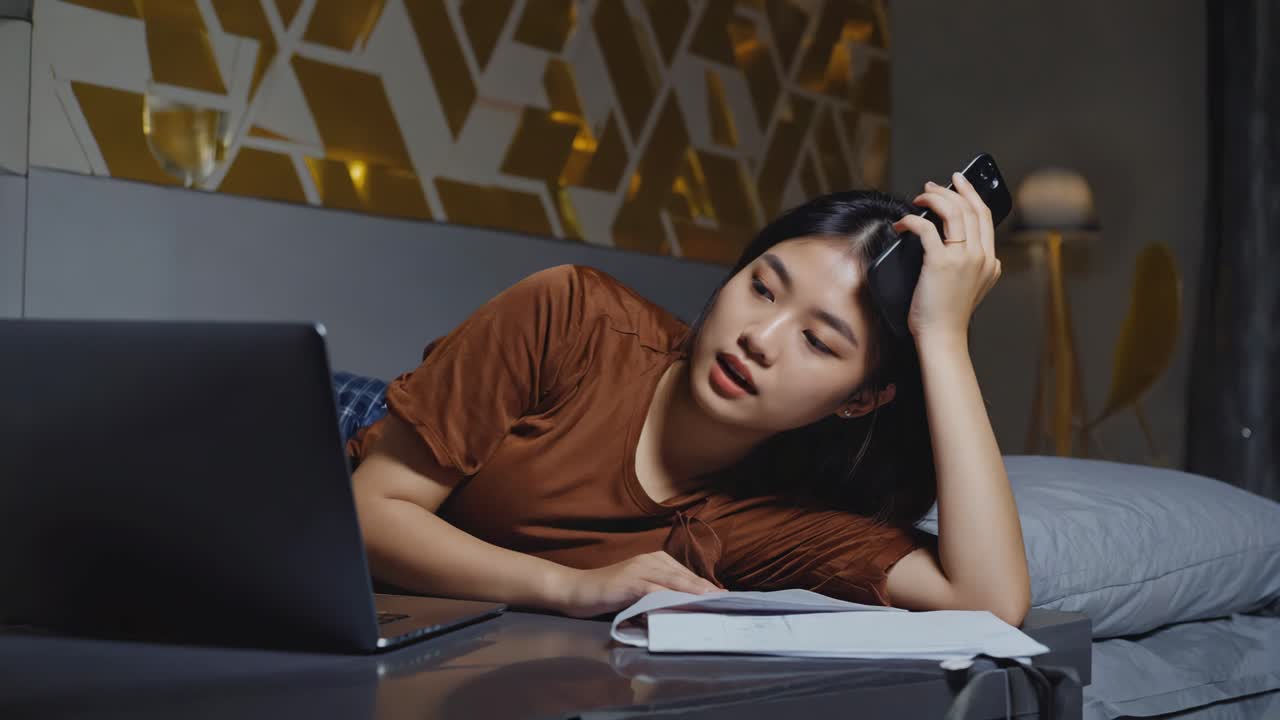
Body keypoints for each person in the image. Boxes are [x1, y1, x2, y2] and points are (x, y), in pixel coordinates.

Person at [346, 174, 1031, 624]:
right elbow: (369, 515)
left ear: (859, 401)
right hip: (353, 429)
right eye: (761, 287)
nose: (759, 338)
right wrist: (569, 587)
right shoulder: (571, 315)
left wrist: (943, 336)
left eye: (817, 342)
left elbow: (989, 604)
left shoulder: (775, 523)